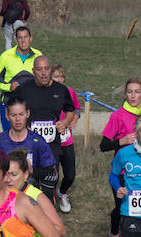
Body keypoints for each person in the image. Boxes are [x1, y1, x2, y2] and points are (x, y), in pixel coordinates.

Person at [12, 56, 77, 208]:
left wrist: (65, 122)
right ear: (33, 71)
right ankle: (25, 210)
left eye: (46, 69)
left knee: (49, 178)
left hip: (51, 143)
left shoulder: (61, 90)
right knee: (29, 177)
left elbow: (70, 109)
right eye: (39, 69)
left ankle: (47, 210)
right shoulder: (24, 89)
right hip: (29, 143)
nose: (43, 73)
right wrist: (22, 126)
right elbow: (12, 110)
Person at [100, 77, 141, 237]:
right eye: (129, 92)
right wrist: (121, 141)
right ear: (125, 94)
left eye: (137, 92)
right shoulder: (118, 116)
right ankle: (115, 234)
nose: (133, 95)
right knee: (122, 208)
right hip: (123, 172)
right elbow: (103, 145)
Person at [0, 96, 57, 205]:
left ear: (27, 114)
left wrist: (32, 170)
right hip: (3, 197)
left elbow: (50, 172)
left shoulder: (38, 141)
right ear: (7, 116)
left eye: (21, 114)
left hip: (31, 199)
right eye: (13, 115)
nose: (18, 119)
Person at [0, 26, 41, 131]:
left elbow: (43, 77)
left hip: (31, 104)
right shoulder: (6, 56)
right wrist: (9, 86)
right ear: (16, 40)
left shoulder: (38, 55)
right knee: (10, 138)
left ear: (30, 38)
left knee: (31, 139)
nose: (23, 41)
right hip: (9, 102)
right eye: (20, 38)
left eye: (25, 37)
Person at [50, 64, 81, 214]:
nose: (59, 79)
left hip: (66, 140)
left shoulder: (69, 92)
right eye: (56, 76)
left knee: (70, 175)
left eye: (62, 76)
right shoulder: (45, 93)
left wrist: (74, 118)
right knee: (52, 173)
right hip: (50, 141)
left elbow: (77, 108)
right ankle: (50, 195)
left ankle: (62, 193)